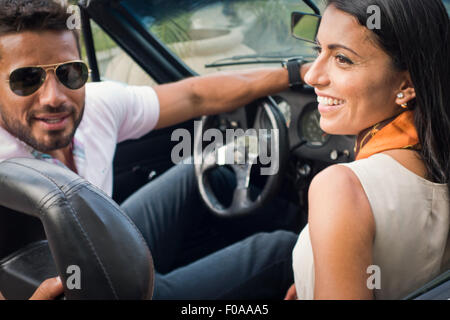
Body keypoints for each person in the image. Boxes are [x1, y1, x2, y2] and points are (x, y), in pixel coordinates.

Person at [0, 0, 310, 299]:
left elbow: (194, 97)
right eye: (27, 79)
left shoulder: (97, 106)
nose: (53, 97)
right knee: (282, 251)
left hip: (102, 242)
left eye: (69, 73)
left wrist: (300, 74)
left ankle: (307, 226)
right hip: (101, 291)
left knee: (199, 171)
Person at [286, 0, 449, 300]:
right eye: (317, 51)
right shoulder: (437, 161)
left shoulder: (340, 187)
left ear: (407, 84)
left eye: (343, 59)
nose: (311, 76)